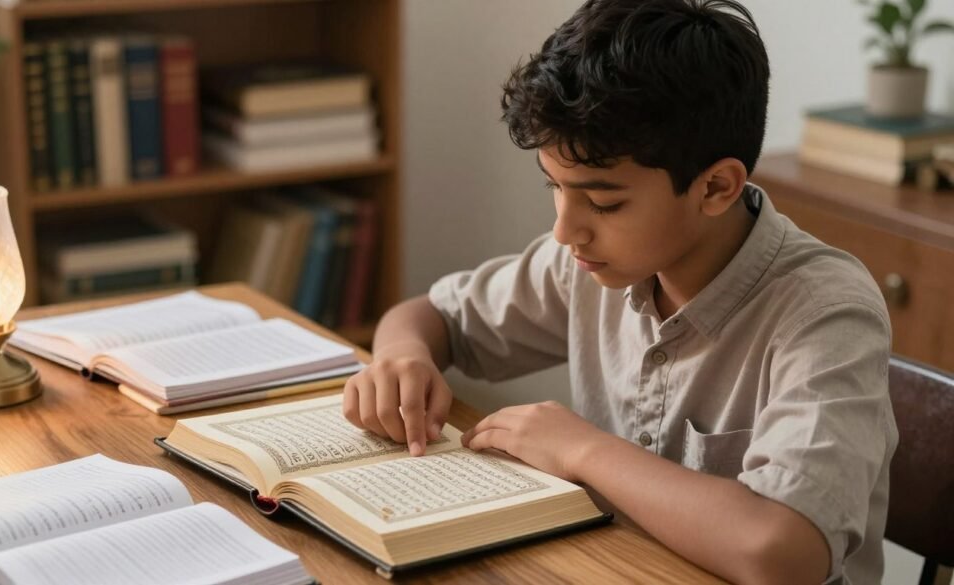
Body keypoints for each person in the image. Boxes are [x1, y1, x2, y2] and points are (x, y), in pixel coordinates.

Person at [342, 1, 896, 582]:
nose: (565, 229)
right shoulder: (590, 261)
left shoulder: (825, 313)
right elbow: (433, 317)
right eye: (554, 187)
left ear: (716, 186)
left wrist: (585, 451)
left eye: (604, 202)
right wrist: (400, 359)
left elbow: (782, 553)